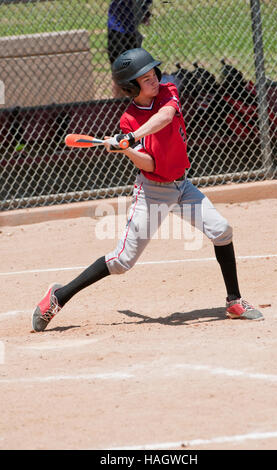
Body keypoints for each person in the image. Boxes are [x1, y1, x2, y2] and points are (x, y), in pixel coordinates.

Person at [32, 48, 264, 332]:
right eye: (145, 78)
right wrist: (126, 149)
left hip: (182, 185)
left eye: (153, 72)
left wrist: (130, 138)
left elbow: (165, 117)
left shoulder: (167, 92)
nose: (154, 78)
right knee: (121, 261)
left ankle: (234, 301)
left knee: (222, 230)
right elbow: (150, 163)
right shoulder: (128, 118)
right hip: (153, 192)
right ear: (131, 86)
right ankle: (58, 296)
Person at [107, 0, 153, 97]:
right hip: (118, 29)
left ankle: (133, 103)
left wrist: (145, 14)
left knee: (134, 73)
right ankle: (118, 104)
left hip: (132, 31)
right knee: (119, 74)